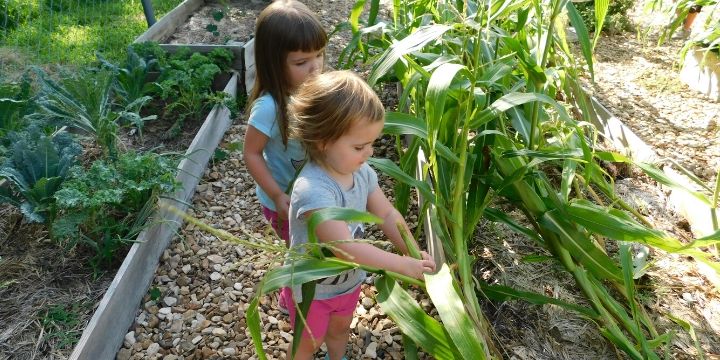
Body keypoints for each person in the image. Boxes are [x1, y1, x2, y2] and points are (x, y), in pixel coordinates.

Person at [283, 71, 437, 360]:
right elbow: (347, 249)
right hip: (312, 291)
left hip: (347, 282)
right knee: (308, 342)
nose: (369, 153)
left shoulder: (361, 172)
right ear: (322, 141)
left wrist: (412, 251)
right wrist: (402, 266)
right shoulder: (313, 191)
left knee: (341, 329)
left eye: (372, 143)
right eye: (359, 146)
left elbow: (387, 213)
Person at [243, 0, 326, 248]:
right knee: (302, 255)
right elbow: (251, 153)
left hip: (319, 194)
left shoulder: (320, 89)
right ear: (273, 63)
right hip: (286, 202)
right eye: (301, 62)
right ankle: (292, 288)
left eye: (319, 55)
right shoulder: (269, 108)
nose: (315, 68)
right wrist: (277, 195)